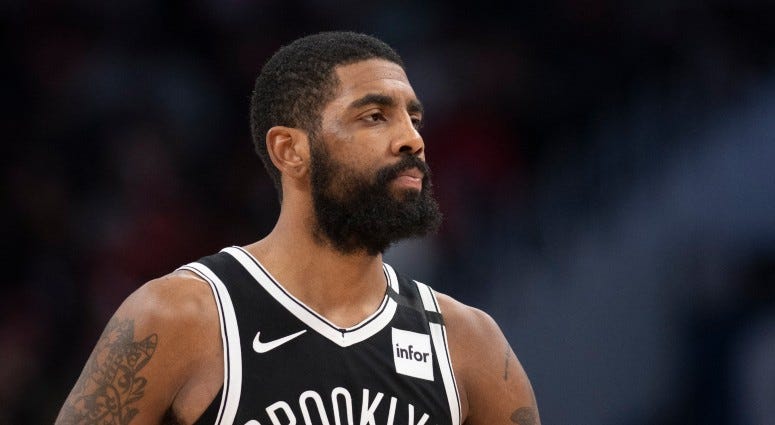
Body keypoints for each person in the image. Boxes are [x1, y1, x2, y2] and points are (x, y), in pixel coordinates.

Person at [55, 31, 540, 425]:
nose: (412, 139)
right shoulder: (179, 317)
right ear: (290, 150)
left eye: (414, 118)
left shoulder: (467, 342)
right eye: (375, 116)